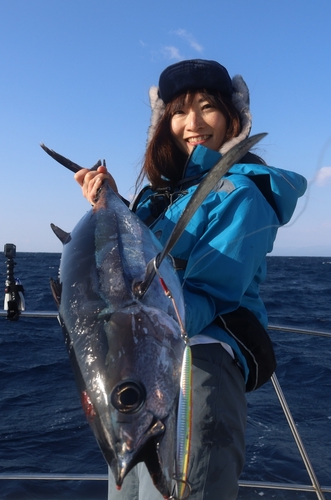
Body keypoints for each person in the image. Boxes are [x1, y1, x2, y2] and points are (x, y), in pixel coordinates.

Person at [75, 59, 307, 500]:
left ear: (233, 118)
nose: (193, 123)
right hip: (141, 369)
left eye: (207, 107)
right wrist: (109, 203)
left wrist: (134, 315)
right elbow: (129, 261)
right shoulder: (160, 198)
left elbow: (204, 296)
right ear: (164, 124)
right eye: (179, 111)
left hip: (197, 366)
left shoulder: (241, 192)